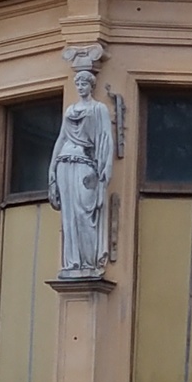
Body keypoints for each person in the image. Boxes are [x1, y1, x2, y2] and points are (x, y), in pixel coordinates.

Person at [47, 67, 113, 276]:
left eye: (84, 84)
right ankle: (72, 263)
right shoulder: (70, 110)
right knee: (69, 215)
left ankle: (88, 263)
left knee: (85, 211)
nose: (80, 87)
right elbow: (61, 138)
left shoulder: (99, 109)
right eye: (78, 84)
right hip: (65, 163)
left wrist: (106, 166)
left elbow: (105, 138)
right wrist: (51, 168)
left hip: (86, 163)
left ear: (91, 86)